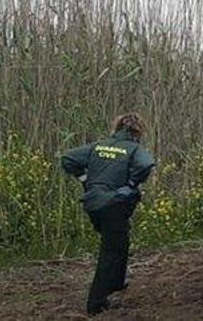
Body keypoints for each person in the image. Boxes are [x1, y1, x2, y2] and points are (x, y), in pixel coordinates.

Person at [61, 113, 155, 315]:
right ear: (138, 132)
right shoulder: (133, 148)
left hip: (93, 204)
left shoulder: (99, 146)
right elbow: (146, 164)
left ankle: (116, 284)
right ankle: (96, 304)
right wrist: (131, 184)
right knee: (111, 252)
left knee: (119, 243)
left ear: (117, 127)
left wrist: (85, 179)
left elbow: (67, 158)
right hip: (113, 204)